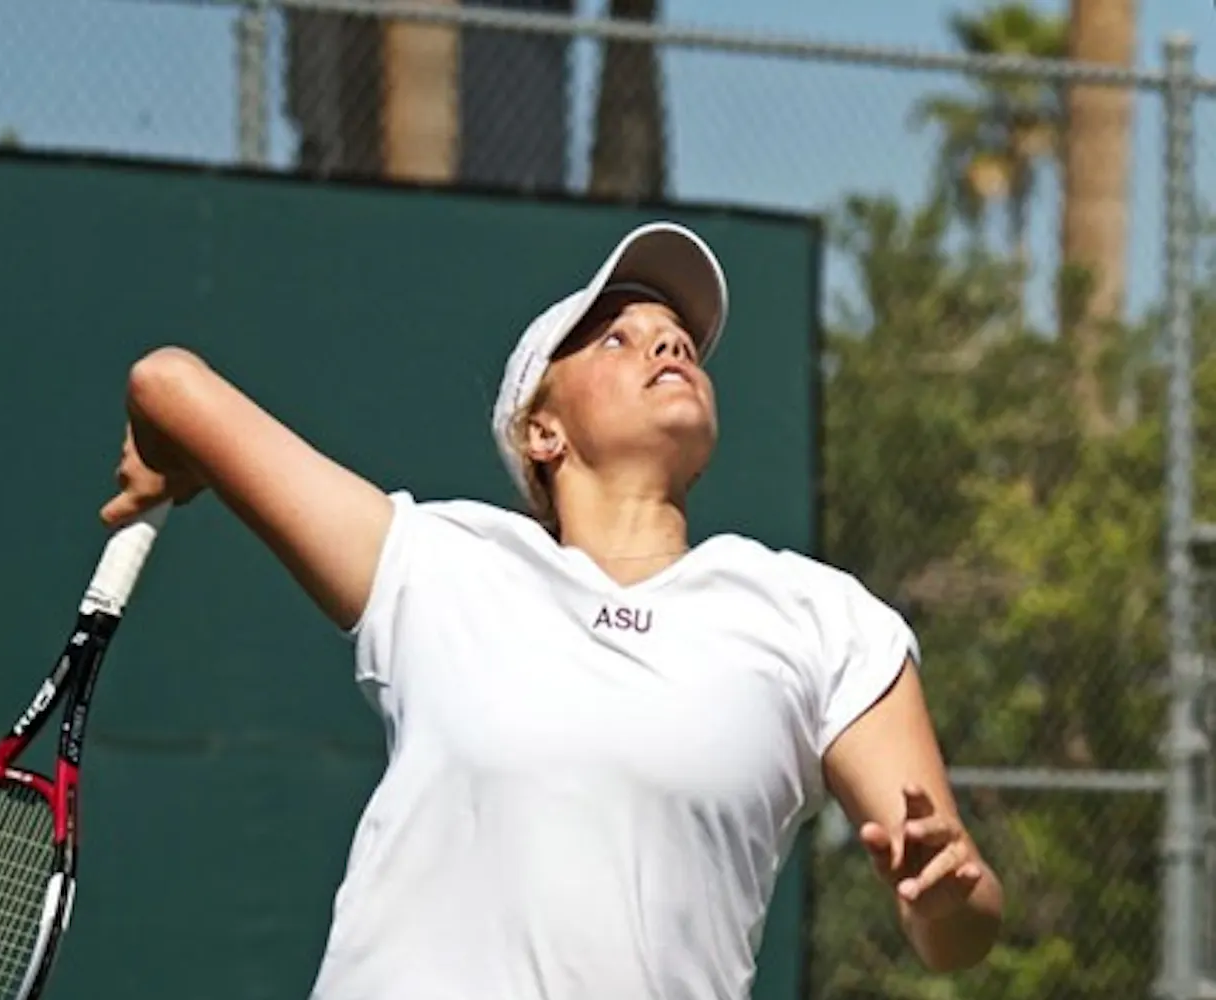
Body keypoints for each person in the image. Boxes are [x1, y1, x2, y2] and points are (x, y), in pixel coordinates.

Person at [99, 221, 1004, 1000]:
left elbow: (957, 927)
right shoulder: (439, 566)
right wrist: (171, 446)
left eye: (678, 336)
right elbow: (168, 380)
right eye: (618, 338)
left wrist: (947, 898)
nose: (668, 344)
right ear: (543, 432)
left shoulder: (821, 620)